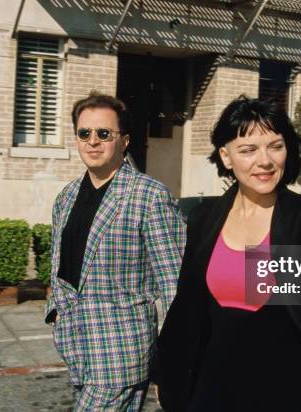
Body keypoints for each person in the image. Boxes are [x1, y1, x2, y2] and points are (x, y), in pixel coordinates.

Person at [155, 96, 301, 411]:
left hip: (291, 392)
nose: (265, 161)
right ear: (226, 156)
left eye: (275, 146)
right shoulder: (203, 219)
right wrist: (168, 373)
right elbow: (187, 307)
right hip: (210, 391)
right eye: (248, 150)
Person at [44, 91, 186, 411]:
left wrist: (173, 363)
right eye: (85, 133)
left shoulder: (149, 196)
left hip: (121, 353)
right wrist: (55, 311)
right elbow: (60, 265)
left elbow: (175, 286)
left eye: (104, 133)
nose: (93, 141)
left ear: (124, 141)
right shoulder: (66, 198)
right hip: (76, 346)